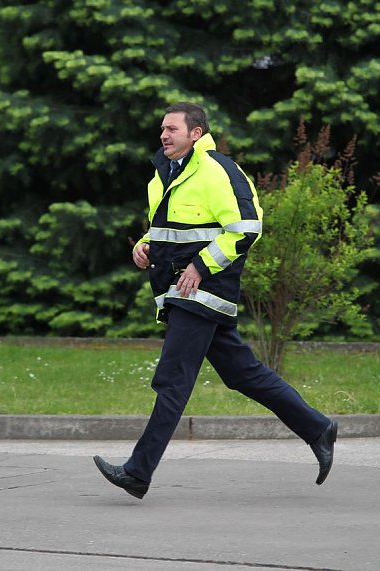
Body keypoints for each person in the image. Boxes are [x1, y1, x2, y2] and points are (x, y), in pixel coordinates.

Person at [93, 102, 337, 500]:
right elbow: (164, 230)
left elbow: (246, 228)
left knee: (172, 380)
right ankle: (317, 427)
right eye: (162, 129)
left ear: (196, 132)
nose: (164, 135)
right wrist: (143, 246)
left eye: (172, 129)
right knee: (243, 374)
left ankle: (137, 472)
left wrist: (201, 268)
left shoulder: (219, 169)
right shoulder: (163, 175)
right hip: (181, 292)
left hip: (203, 292)